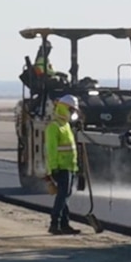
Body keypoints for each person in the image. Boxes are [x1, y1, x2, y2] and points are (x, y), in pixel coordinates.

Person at [46, 94, 82, 236]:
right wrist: (53, 168)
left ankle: (64, 224)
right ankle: (55, 223)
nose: (73, 113)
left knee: (65, 195)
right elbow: (51, 149)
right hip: (61, 167)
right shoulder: (54, 127)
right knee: (62, 196)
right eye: (71, 110)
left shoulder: (66, 126)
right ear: (64, 108)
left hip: (70, 166)